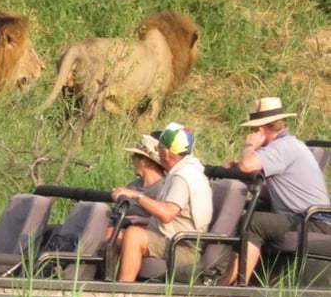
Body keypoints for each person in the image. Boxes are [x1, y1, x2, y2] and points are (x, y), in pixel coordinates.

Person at [217, 97, 331, 286]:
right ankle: (231, 275)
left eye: (253, 130)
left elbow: (247, 164)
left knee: (254, 222)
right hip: (303, 217)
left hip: (315, 221)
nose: (251, 133)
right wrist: (242, 177)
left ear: (260, 130)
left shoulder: (282, 147)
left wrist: (250, 146)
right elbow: (273, 194)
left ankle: (237, 285)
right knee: (252, 213)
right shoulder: (288, 146)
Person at [110, 123, 213, 282]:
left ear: (165, 153)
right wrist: (145, 220)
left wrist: (137, 195)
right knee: (115, 235)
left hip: (184, 247)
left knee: (134, 236)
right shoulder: (184, 171)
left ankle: (122, 292)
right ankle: (108, 283)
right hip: (175, 239)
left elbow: (167, 214)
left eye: (158, 149)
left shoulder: (183, 177)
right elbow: (181, 216)